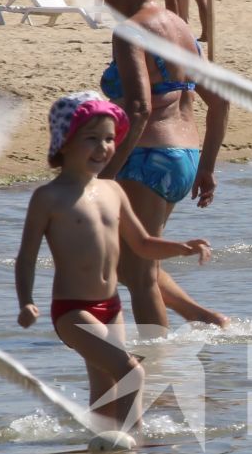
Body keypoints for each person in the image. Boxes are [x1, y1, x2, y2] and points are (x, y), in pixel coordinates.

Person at [14, 91, 213, 432]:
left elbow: (143, 244)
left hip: (112, 307)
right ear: (64, 142)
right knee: (132, 371)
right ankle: (132, 444)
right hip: (73, 311)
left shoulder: (113, 191)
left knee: (105, 392)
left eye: (109, 139)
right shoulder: (48, 198)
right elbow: (26, 257)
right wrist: (27, 302)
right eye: (91, 139)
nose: (103, 147)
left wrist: (180, 247)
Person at [95, 0, 231, 331]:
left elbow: (138, 109)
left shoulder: (130, 30)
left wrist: (105, 174)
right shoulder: (180, 26)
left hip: (145, 157)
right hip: (182, 157)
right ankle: (204, 318)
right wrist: (206, 167)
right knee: (133, 262)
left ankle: (157, 365)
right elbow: (218, 103)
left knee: (137, 276)